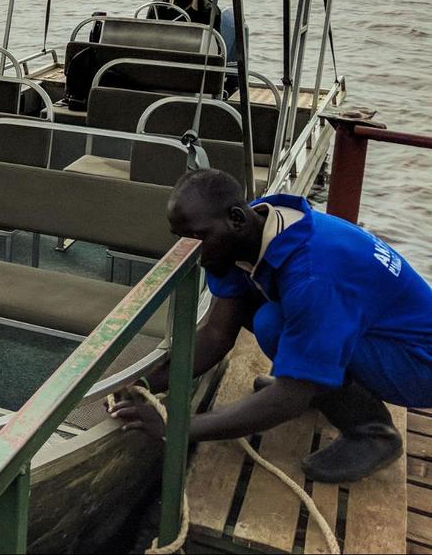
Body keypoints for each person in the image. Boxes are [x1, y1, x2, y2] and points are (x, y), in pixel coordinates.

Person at [110, 169, 432, 482]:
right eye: (179, 238)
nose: (187, 249)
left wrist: (175, 427)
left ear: (236, 219)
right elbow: (216, 336)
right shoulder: (246, 233)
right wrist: (144, 383)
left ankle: (372, 433)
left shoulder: (312, 275)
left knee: (291, 353)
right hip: (376, 335)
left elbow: (289, 397)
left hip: (419, 365)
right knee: (268, 322)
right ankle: (321, 389)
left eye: (195, 238)